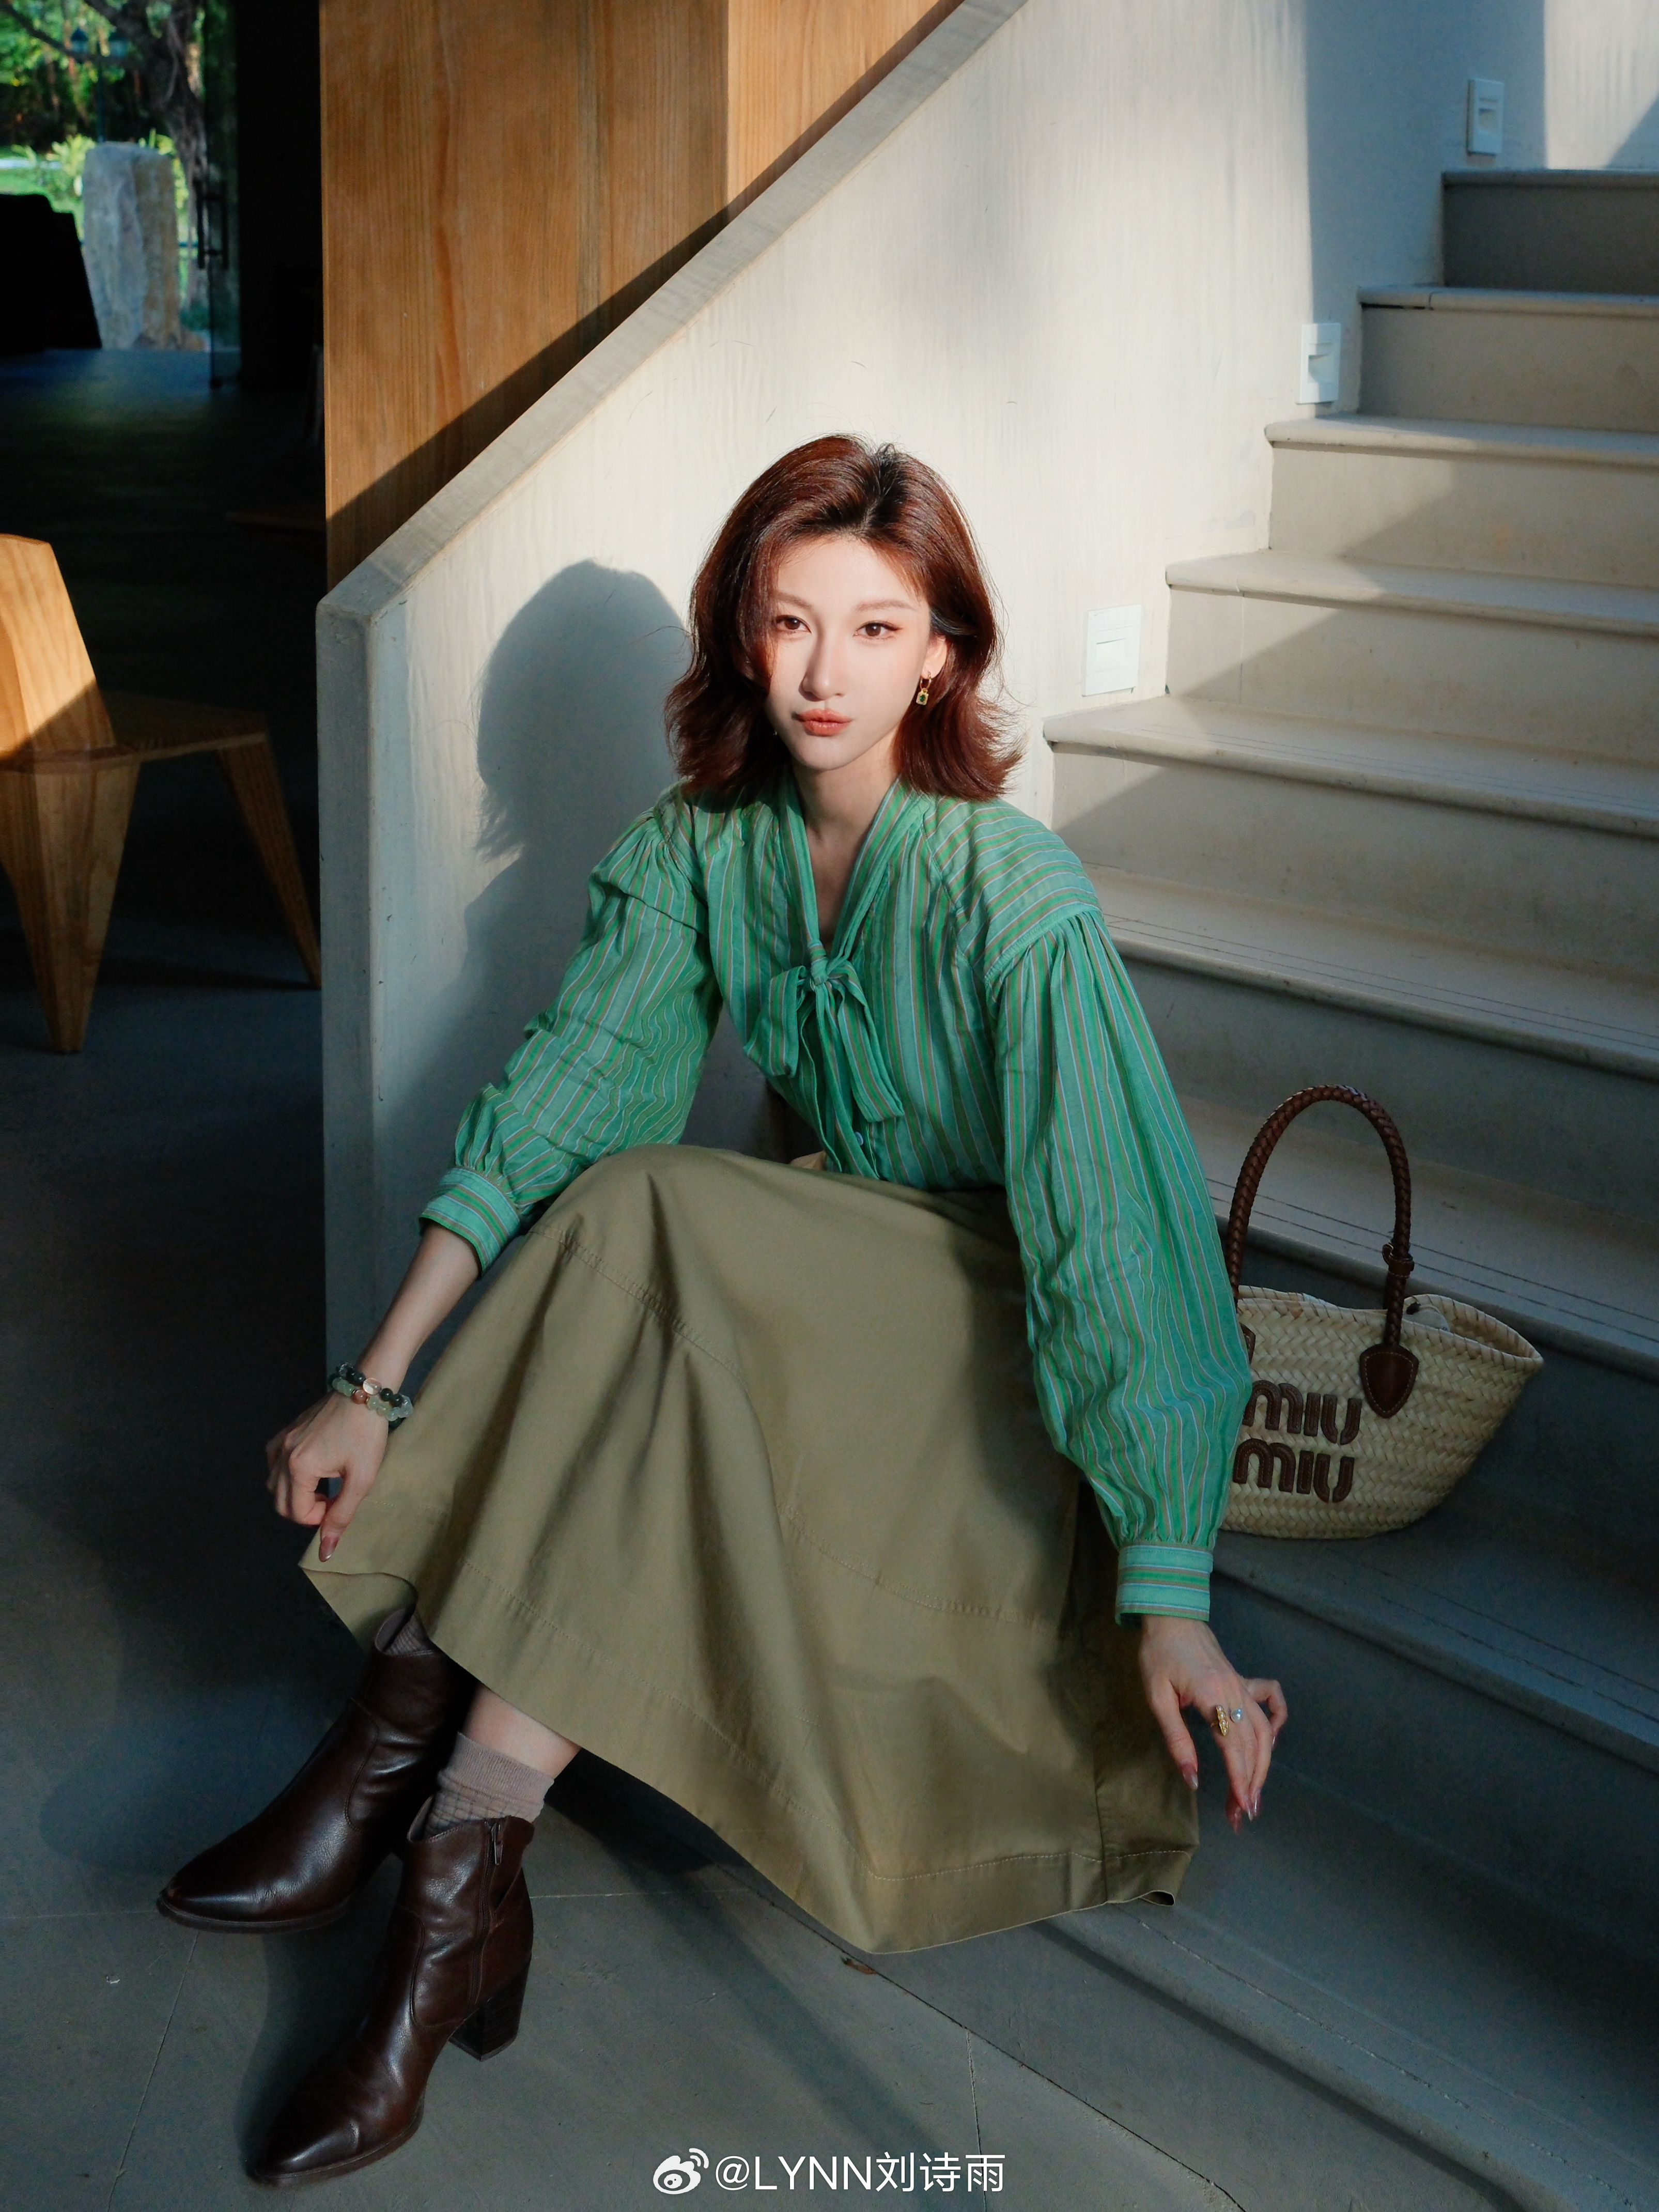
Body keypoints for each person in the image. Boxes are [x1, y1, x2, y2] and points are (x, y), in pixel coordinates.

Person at [161, 436, 1285, 2187]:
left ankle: (387, 1783)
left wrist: (1167, 1586)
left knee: (658, 1208)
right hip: (807, 1296)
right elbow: (556, 1105)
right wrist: (367, 1386)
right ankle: (457, 1872)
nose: (826, 671)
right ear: (740, 638)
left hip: (988, 1343)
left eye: (876, 626)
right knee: (627, 1202)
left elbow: (1116, 1235)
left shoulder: (1012, 893)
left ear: (942, 656)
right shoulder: (703, 849)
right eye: (789, 622)